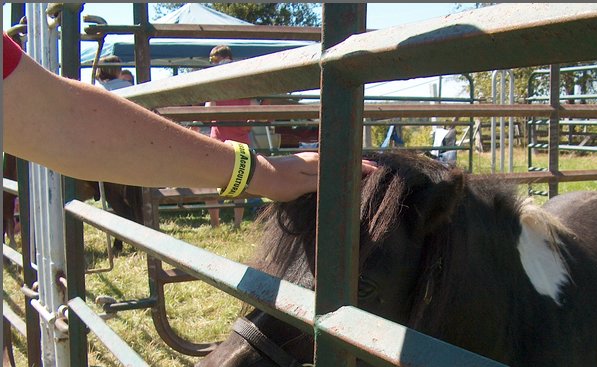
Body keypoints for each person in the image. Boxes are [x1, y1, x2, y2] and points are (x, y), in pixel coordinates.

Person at [3, 33, 376, 206]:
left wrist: (260, 173)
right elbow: (63, 120)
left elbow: (61, 120)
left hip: (228, 143)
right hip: (234, 146)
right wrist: (261, 173)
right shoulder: (245, 78)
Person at [205, 45, 258, 228]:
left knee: (212, 181)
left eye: (214, 60)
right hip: (239, 139)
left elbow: (208, 109)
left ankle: (215, 224)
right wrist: (247, 125)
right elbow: (255, 107)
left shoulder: (215, 82)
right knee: (241, 181)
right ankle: (236, 224)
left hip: (219, 139)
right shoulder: (241, 81)